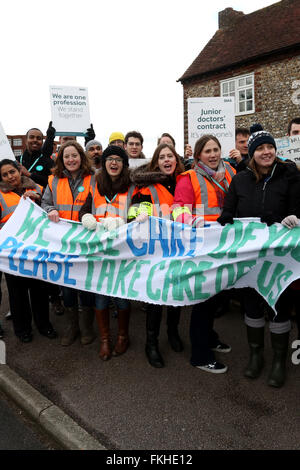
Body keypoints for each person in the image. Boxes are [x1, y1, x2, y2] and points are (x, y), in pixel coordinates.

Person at [218, 124, 300, 387]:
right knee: (251, 304)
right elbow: (229, 210)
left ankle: (278, 361)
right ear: (251, 153)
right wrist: (226, 218)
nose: (266, 152)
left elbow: (298, 208)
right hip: (251, 258)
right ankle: (256, 356)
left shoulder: (289, 175)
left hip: (281, 258)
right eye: (260, 148)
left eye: (270, 147)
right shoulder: (240, 178)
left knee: (280, 306)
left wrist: (291, 217)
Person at [172, 135, 236, 374]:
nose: (213, 154)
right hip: (201, 247)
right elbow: (177, 209)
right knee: (203, 301)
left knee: (217, 296)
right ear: (198, 155)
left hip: (226, 245)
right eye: (207, 151)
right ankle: (200, 355)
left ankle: (209, 337)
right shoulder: (188, 178)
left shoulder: (230, 173)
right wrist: (192, 220)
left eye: (216, 149)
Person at [129, 143, 185, 368]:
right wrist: (140, 214)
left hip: (179, 249)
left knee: (177, 295)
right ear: (156, 162)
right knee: (156, 299)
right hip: (155, 251)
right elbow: (133, 213)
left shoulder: (184, 182)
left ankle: (173, 333)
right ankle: (151, 343)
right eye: (161, 157)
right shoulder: (147, 187)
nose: (166, 160)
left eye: (170, 156)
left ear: (176, 159)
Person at [81, 145, 136, 361]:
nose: (114, 163)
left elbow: (138, 211)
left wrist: (124, 221)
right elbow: (84, 209)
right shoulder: (95, 183)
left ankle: (123, 336)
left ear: (124, 164)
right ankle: (105, 339)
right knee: (101, 297)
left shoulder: (131, 185)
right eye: (110, 159)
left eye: (118, 160)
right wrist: (85, 217)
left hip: (122, 249)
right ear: (104, 163)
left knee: (122, 297)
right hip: (99, 250)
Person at [41, 141, 96, 347]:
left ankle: (87, 326)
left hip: (86, 242)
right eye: (66, 156)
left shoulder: (95, 178)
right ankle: (73, 326)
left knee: (86, 285)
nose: (71, 159)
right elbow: (45, 202)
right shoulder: (53, 180)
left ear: (81, 157)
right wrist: (50, 210)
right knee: (68, 287)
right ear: (61, 159)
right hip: (63, 243)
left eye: (74, 155)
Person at [0, 159, 57, 343]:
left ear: (19, 171)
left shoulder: (38, 188)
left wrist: (38, 201)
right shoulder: (0, 195)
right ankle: (22, 329)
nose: (10, 177)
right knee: (17, 294)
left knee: (39, 291)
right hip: (12, 254)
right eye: (5, 174)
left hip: (36, 251)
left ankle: (44, 325)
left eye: (12, 172)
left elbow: (49, 212)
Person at [16, 124, 55, 188]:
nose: (35, 140)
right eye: (31, 137)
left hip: (40, 196)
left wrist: (30, 175)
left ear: (42, 142)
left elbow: (52, 183)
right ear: (26, 140)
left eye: (38, 138)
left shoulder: (49, 162)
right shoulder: (16, 160)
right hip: (16, 196)